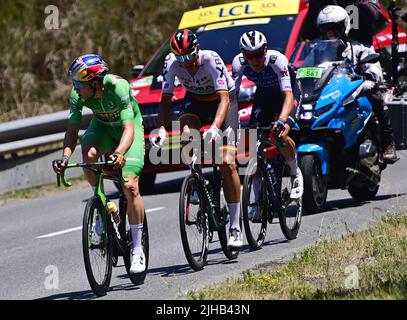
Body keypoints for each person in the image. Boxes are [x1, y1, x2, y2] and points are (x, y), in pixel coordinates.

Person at [52, 54, 147, 273]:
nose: (75, 88)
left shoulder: (119, 87)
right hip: (102, 127)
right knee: (89, 154)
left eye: (78, 83)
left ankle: (137, 250)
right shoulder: (78, 96)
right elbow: (73, 131)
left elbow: (129, 128)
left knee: (130, 185)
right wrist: (65, 158)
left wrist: (120, 152)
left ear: (95, 82)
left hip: (129, 129)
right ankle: (103, 207)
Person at [149, 29, 243, 249]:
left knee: (227, 162)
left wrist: (214, 127)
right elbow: (165, 100)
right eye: (181, 60)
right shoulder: (171, 63)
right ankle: (198, 182)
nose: (187, 64)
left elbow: (224, 100)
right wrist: (162, 129)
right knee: (186, 136)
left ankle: (236, 226)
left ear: (197, 49)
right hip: (196, 101)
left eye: (190, 57)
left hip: (224, 102)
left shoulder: (211, 59)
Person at [232, 30, 304, 220]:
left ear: (265, 50)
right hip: (264, 94)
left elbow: (288, 95)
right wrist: (230, 123)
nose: (254, 60)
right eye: (250, 56)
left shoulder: (276, 60)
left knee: (280, 135)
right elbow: (232, 98)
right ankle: (257, 202)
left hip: (288, 92)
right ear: (243, 55)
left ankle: (295, 173)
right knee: (250, 146)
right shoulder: (239, 64)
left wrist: (282, 120)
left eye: (258, 55)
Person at [316, 5, 399, 163]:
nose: (331, 34)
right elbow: (305, 69)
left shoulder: (359, 49)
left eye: (335, 29)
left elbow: (375, 72)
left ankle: (388, 143)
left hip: (356, 92)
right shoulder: (317, 52)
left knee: (377, 99)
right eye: (327, 30)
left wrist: (366, 81)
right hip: (329, 94)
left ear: (344, 27)